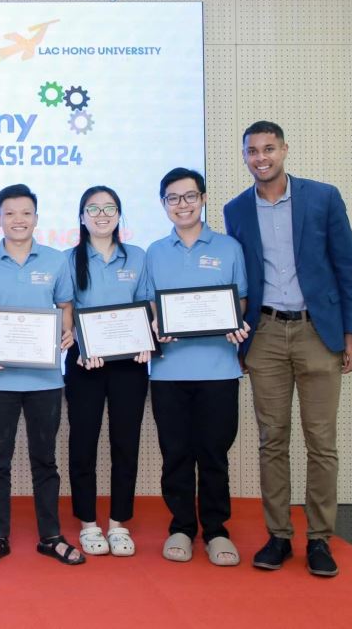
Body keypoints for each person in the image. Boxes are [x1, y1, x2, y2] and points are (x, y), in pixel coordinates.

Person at [224, 121, 352, 577]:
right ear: (245, 157)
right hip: (264, 333)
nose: (260, 158)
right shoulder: (235, 209)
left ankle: (319, 539)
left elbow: (348, 267)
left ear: (284, 149)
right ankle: (279, 536)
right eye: (252, 151)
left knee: (321, 442)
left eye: (268, 148)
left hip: (317, 332)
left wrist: (351, 333)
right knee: (272, 440)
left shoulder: (323, 197)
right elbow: (239, 279)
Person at [0, 184, 84, 567]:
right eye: (10, 213)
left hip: (45, 381)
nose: (19, 220)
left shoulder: (55, 261)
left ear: (36, 218)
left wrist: (68, 331)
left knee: (45, 461)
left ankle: (51, 536)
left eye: (26, 213)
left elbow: (65, 307)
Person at [143, 167, 249, 567]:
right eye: (173, 198)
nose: (182, 204)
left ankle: (217, 530)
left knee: (214, 454)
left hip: (219, 369)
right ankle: (182, 527)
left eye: (189, 196)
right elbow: (150, 304)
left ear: (203, 199)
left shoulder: (229, 248)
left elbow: (240, 300)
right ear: (163, 204)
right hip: (168, 371)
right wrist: (156, 325)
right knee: (176, 453)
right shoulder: (155, 251)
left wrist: (235, 320)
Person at [63, 186, 149, 557]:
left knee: (125, 443)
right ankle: (88, 523)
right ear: (82, 217)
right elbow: (66, 309)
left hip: (130, 364)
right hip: (85, 363)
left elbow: (146, 305)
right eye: (93, 209)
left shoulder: (138, 257)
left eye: (109, 208)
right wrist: (81, 347)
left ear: (119, 214)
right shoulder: (68, 260)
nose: (102, 215)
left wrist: (147, 339)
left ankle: (118, 523)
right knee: (83, 443)